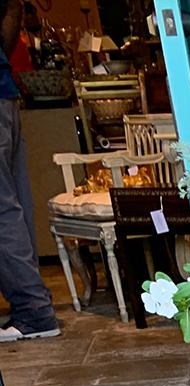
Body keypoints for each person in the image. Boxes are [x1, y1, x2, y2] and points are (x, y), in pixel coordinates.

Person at [0, 0, 58, 340]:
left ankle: (34, 310)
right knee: (13, 204)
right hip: (5, 95)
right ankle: (34, 304)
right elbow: (12, 8)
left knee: (4, 209)